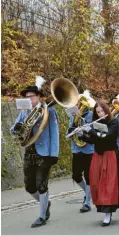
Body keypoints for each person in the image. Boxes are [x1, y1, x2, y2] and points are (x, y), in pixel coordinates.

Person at [10, 77, 59, 228]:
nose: (29, 99)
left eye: (32, 96)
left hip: (44, 153)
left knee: (41, 185)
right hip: (29, 152)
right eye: (27, 97)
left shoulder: (48, 111)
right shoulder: (24, 112)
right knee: (29, 187)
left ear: (38, 97)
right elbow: (13, 130)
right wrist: (16, 127)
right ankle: (46, 203)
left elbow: (54, 133)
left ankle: (42, 216)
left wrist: (54, 154)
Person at [79, 100, 119, 227]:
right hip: (98, 155)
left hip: (110, 155)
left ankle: (108, 213)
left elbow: (108, 137)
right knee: (96, 182)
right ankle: (102, 207)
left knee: (108, 184)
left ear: (106, 110)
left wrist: (91, 132)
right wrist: (83, 135)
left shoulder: (114, 122)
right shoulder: (96, 123)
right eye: (98, 112)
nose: (100, 113)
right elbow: (94, 140)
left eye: (102, 111)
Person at [66, 91, 95, 213]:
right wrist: (71, 129)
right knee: (76, 176)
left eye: (79, 103)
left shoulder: (92, 115)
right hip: (77, 149)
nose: (78, 105)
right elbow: (68, 134)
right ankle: (87, 192)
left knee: (88, 177)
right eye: (77, 103)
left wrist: (85, 132)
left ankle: (87, 202)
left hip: (89, 149)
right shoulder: (73, 116)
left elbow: (94, 133)